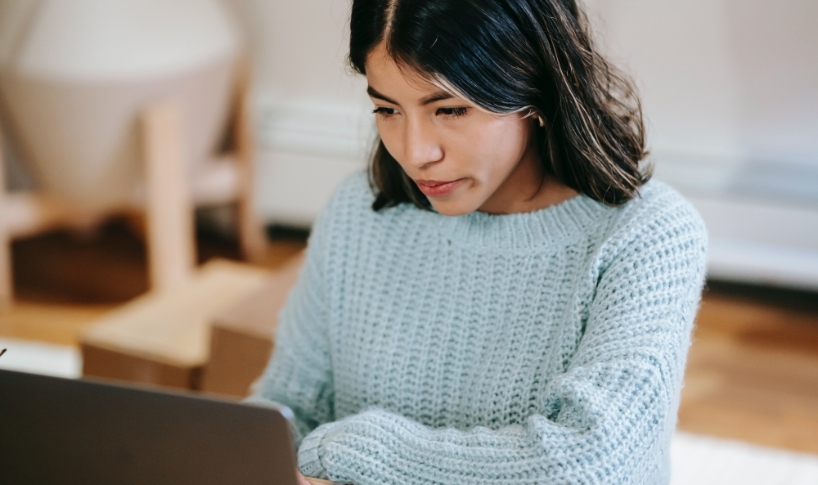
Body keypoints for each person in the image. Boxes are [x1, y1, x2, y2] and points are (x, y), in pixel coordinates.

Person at [248, 0, 708, 483]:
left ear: (532, 87)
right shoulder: (359, 210)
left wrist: (358, 451)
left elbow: (593, 465)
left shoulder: (649, 233)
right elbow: (287, 408)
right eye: (387, 109)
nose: (415, 152)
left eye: (449, 109)